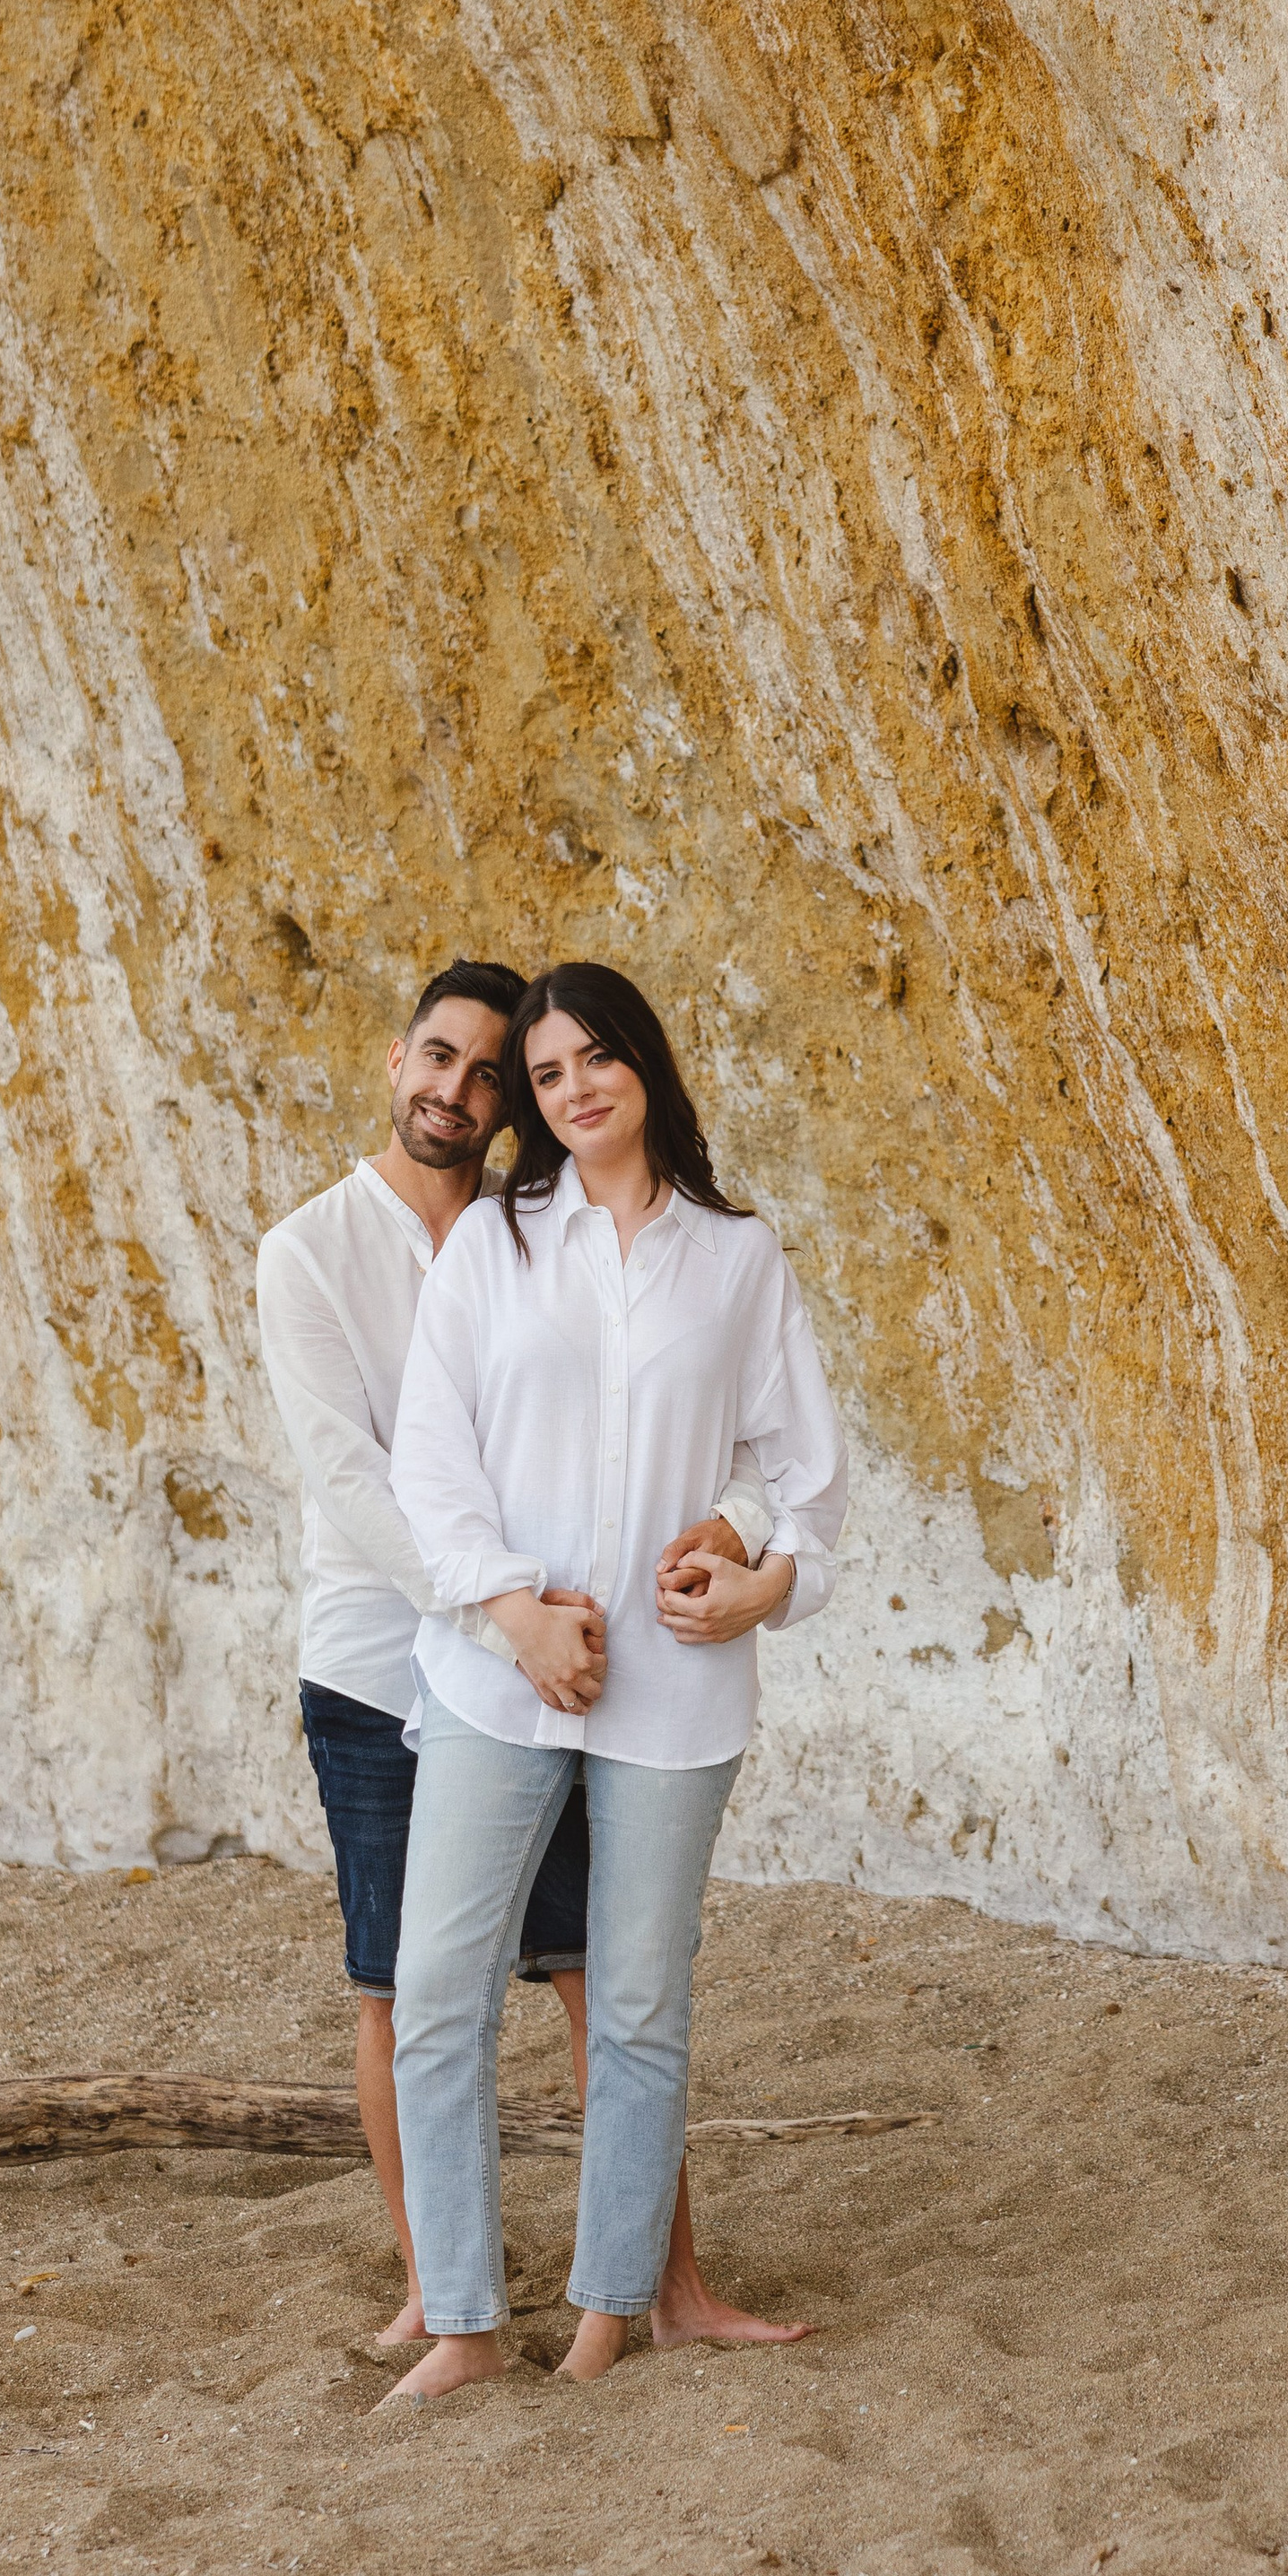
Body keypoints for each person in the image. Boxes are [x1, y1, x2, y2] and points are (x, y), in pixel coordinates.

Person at [256, 959, 786, 2352]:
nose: (472, 1091)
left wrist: (731, 1542)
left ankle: (646, 2290)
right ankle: (448, 2300)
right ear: (396, 1059)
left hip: (599, 1670)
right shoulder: (329, 1250)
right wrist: (504, 1611)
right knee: (405, 1988)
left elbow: (766, 1453)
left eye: (508, 1074)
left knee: (606, 1986)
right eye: (461, 1063)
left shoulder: (578, 1233)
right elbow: (380, 1477)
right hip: (405, 1662)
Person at [384, 961, 849, 2402]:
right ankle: (462, 2322)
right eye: (546, 1075)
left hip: (675, 1692)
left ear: (643, 1064)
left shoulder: (737, 1255)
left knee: (642, 2005)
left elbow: (807, 1486)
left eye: (596, 1060)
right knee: (438, 1990)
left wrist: (763, 1573)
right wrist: (516, 1613)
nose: (573, 1090)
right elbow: (430, 1461)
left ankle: (607, 2318)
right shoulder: (495, 1244)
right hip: (497, 1675)